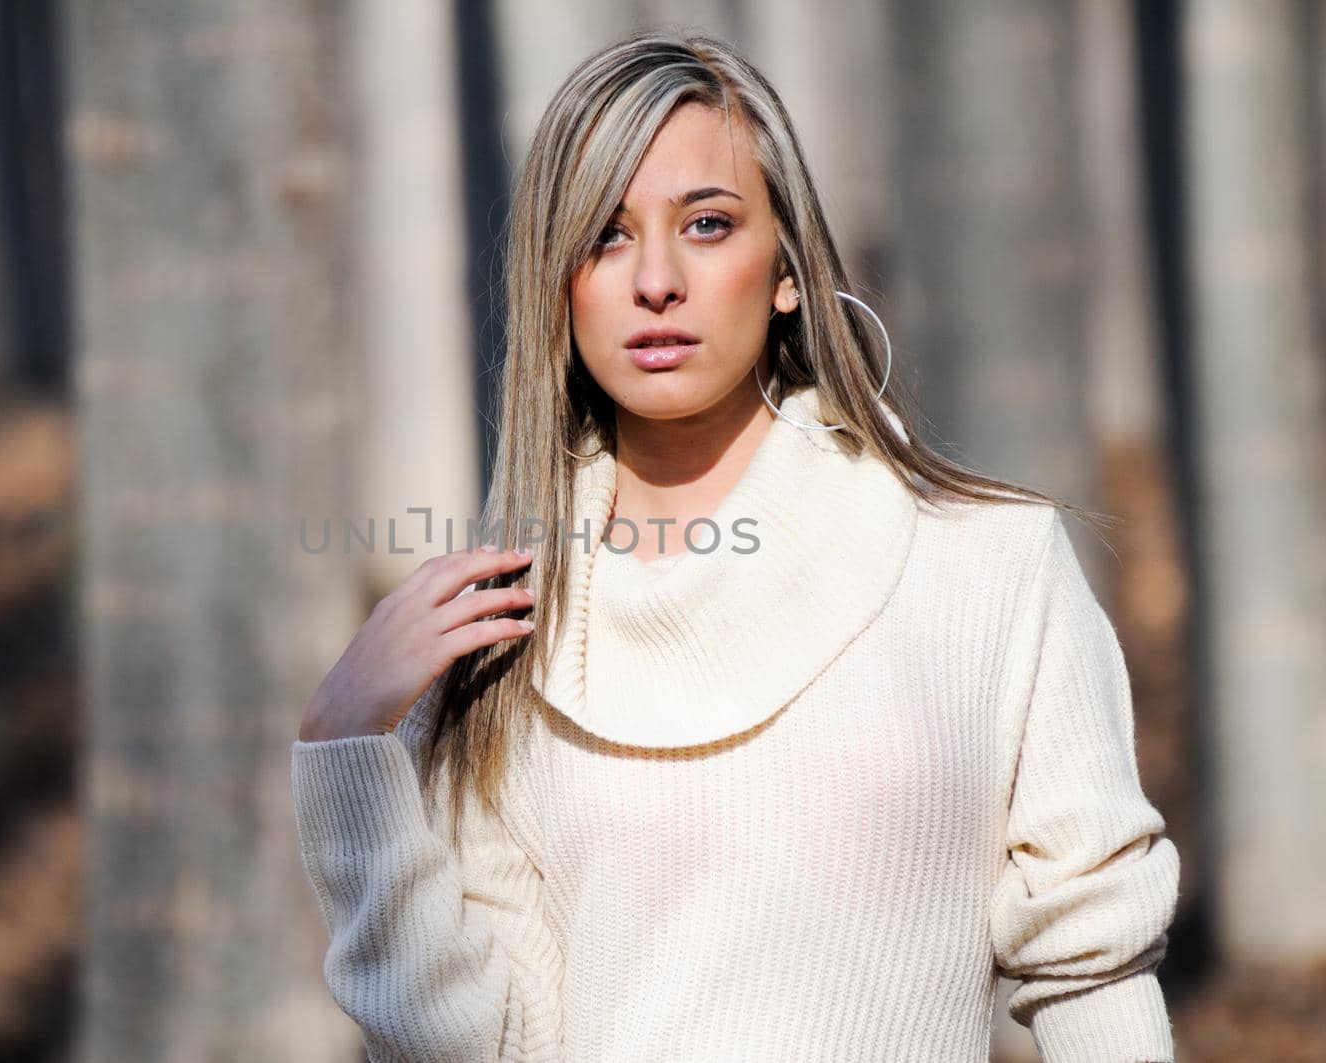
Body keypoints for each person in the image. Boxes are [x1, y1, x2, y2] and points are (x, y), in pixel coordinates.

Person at [291, 27, 1180, 1062]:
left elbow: (1094, 971)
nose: (655, 279)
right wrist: (343, 746)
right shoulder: (504, 633)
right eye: (605, 236)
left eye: (706, 224)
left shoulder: (989, 563)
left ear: (788, 271)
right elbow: (485, 1043)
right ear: (556, 285)